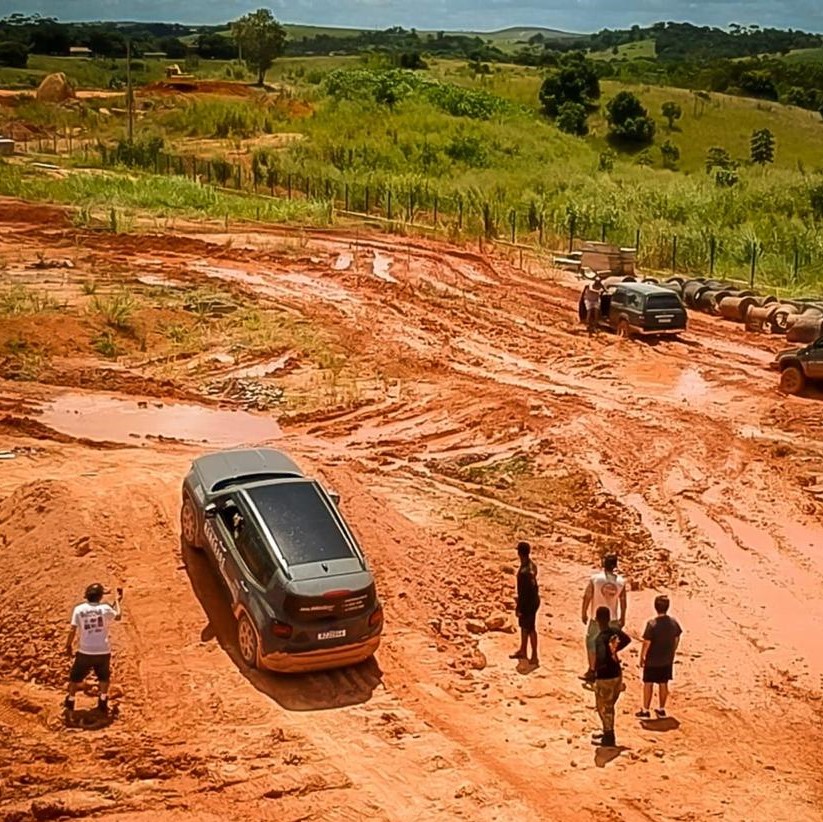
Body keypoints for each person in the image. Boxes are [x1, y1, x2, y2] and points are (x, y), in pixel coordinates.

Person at [64, 583, 122, 714]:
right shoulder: (105, 608)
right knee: (103, 677)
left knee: (75, 678)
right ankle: (102, 700)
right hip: (103, 650)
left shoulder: (79, 609)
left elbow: (73, 629)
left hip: (85, 651)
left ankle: (71, 700)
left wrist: (68, 645)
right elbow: (118, 615)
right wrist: (117, 601)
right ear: (100, 596)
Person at [581, 553, 627, 683]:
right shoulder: (621, 582)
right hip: (612, 618)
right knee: (611, 646)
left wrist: (584, 612)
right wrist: (622, 618)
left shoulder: (595, 579)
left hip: (596, 617)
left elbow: (587, 596)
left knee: (591, 644)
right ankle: (612, 672)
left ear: (603, 564)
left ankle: (592, 670)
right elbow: (623, 602)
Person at [637, 595, 683, 719]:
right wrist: (673, 650)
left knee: (648, 683)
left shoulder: (652, 624)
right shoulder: (673, 622)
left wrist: (642, 657)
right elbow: (677, 637)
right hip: (666, 659)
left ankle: (645, 710)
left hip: (652, 660)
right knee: (663, 683)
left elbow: (647, 643)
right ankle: (661, 709)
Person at [591, 605, 631, 748]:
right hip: (617, 674)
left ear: (597, 620)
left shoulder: (600, 638)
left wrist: (595, 673)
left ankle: (609, 738)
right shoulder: (614, 632)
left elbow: (601, 657)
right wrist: (614, 650)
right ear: (608, 619)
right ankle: (606, 731)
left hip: (605, 677)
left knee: (604, 707)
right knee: (609, 706)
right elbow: (627, 639)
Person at [509, 541, 540, 666]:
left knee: (530, 628)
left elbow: (523, 593)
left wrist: (519, 608)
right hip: (534, 600)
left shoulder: (524, 572)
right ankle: (523, 650)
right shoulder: (532, 565)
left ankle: (534, 656)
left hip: (528, 603)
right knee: (524, 627)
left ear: (519, 553)